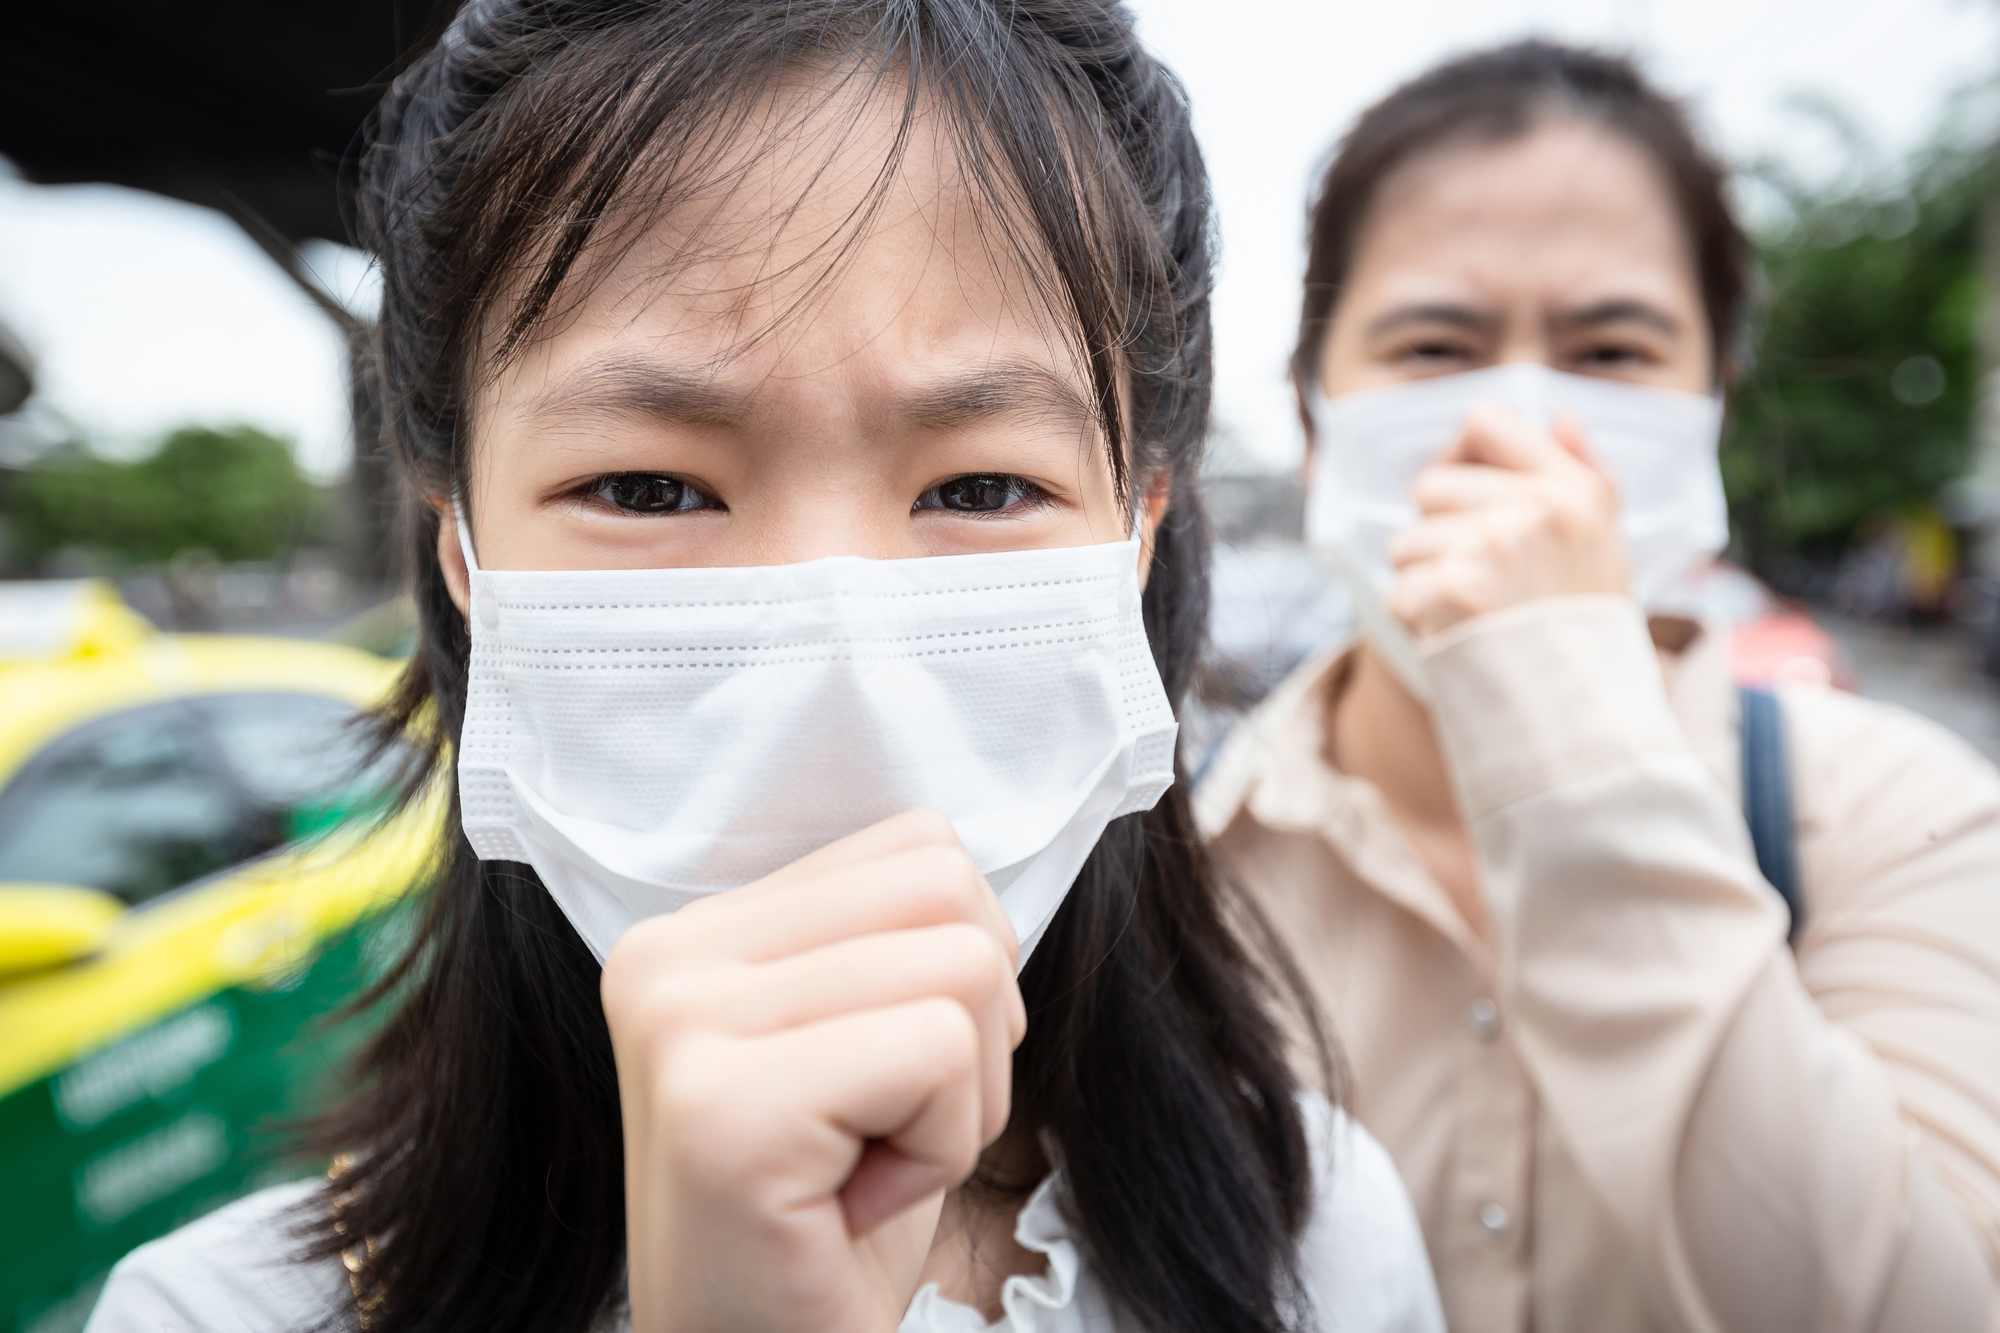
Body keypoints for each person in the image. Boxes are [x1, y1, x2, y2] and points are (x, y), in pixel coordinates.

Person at [82, 4, 1447, 1333]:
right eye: (647, 486)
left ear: (1137, 536)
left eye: (978, 486)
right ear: (464, 557)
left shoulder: (1323, 1234)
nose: (837, 654)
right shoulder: (206, 1311)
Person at [1198, 41, 2000, 1333]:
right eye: (1435, 344)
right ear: (1310, 416)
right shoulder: (1164, 879)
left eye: (1612, 350)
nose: (1517, 425)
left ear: (1713, 411)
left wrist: (1554, 705)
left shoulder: (1904, 819)